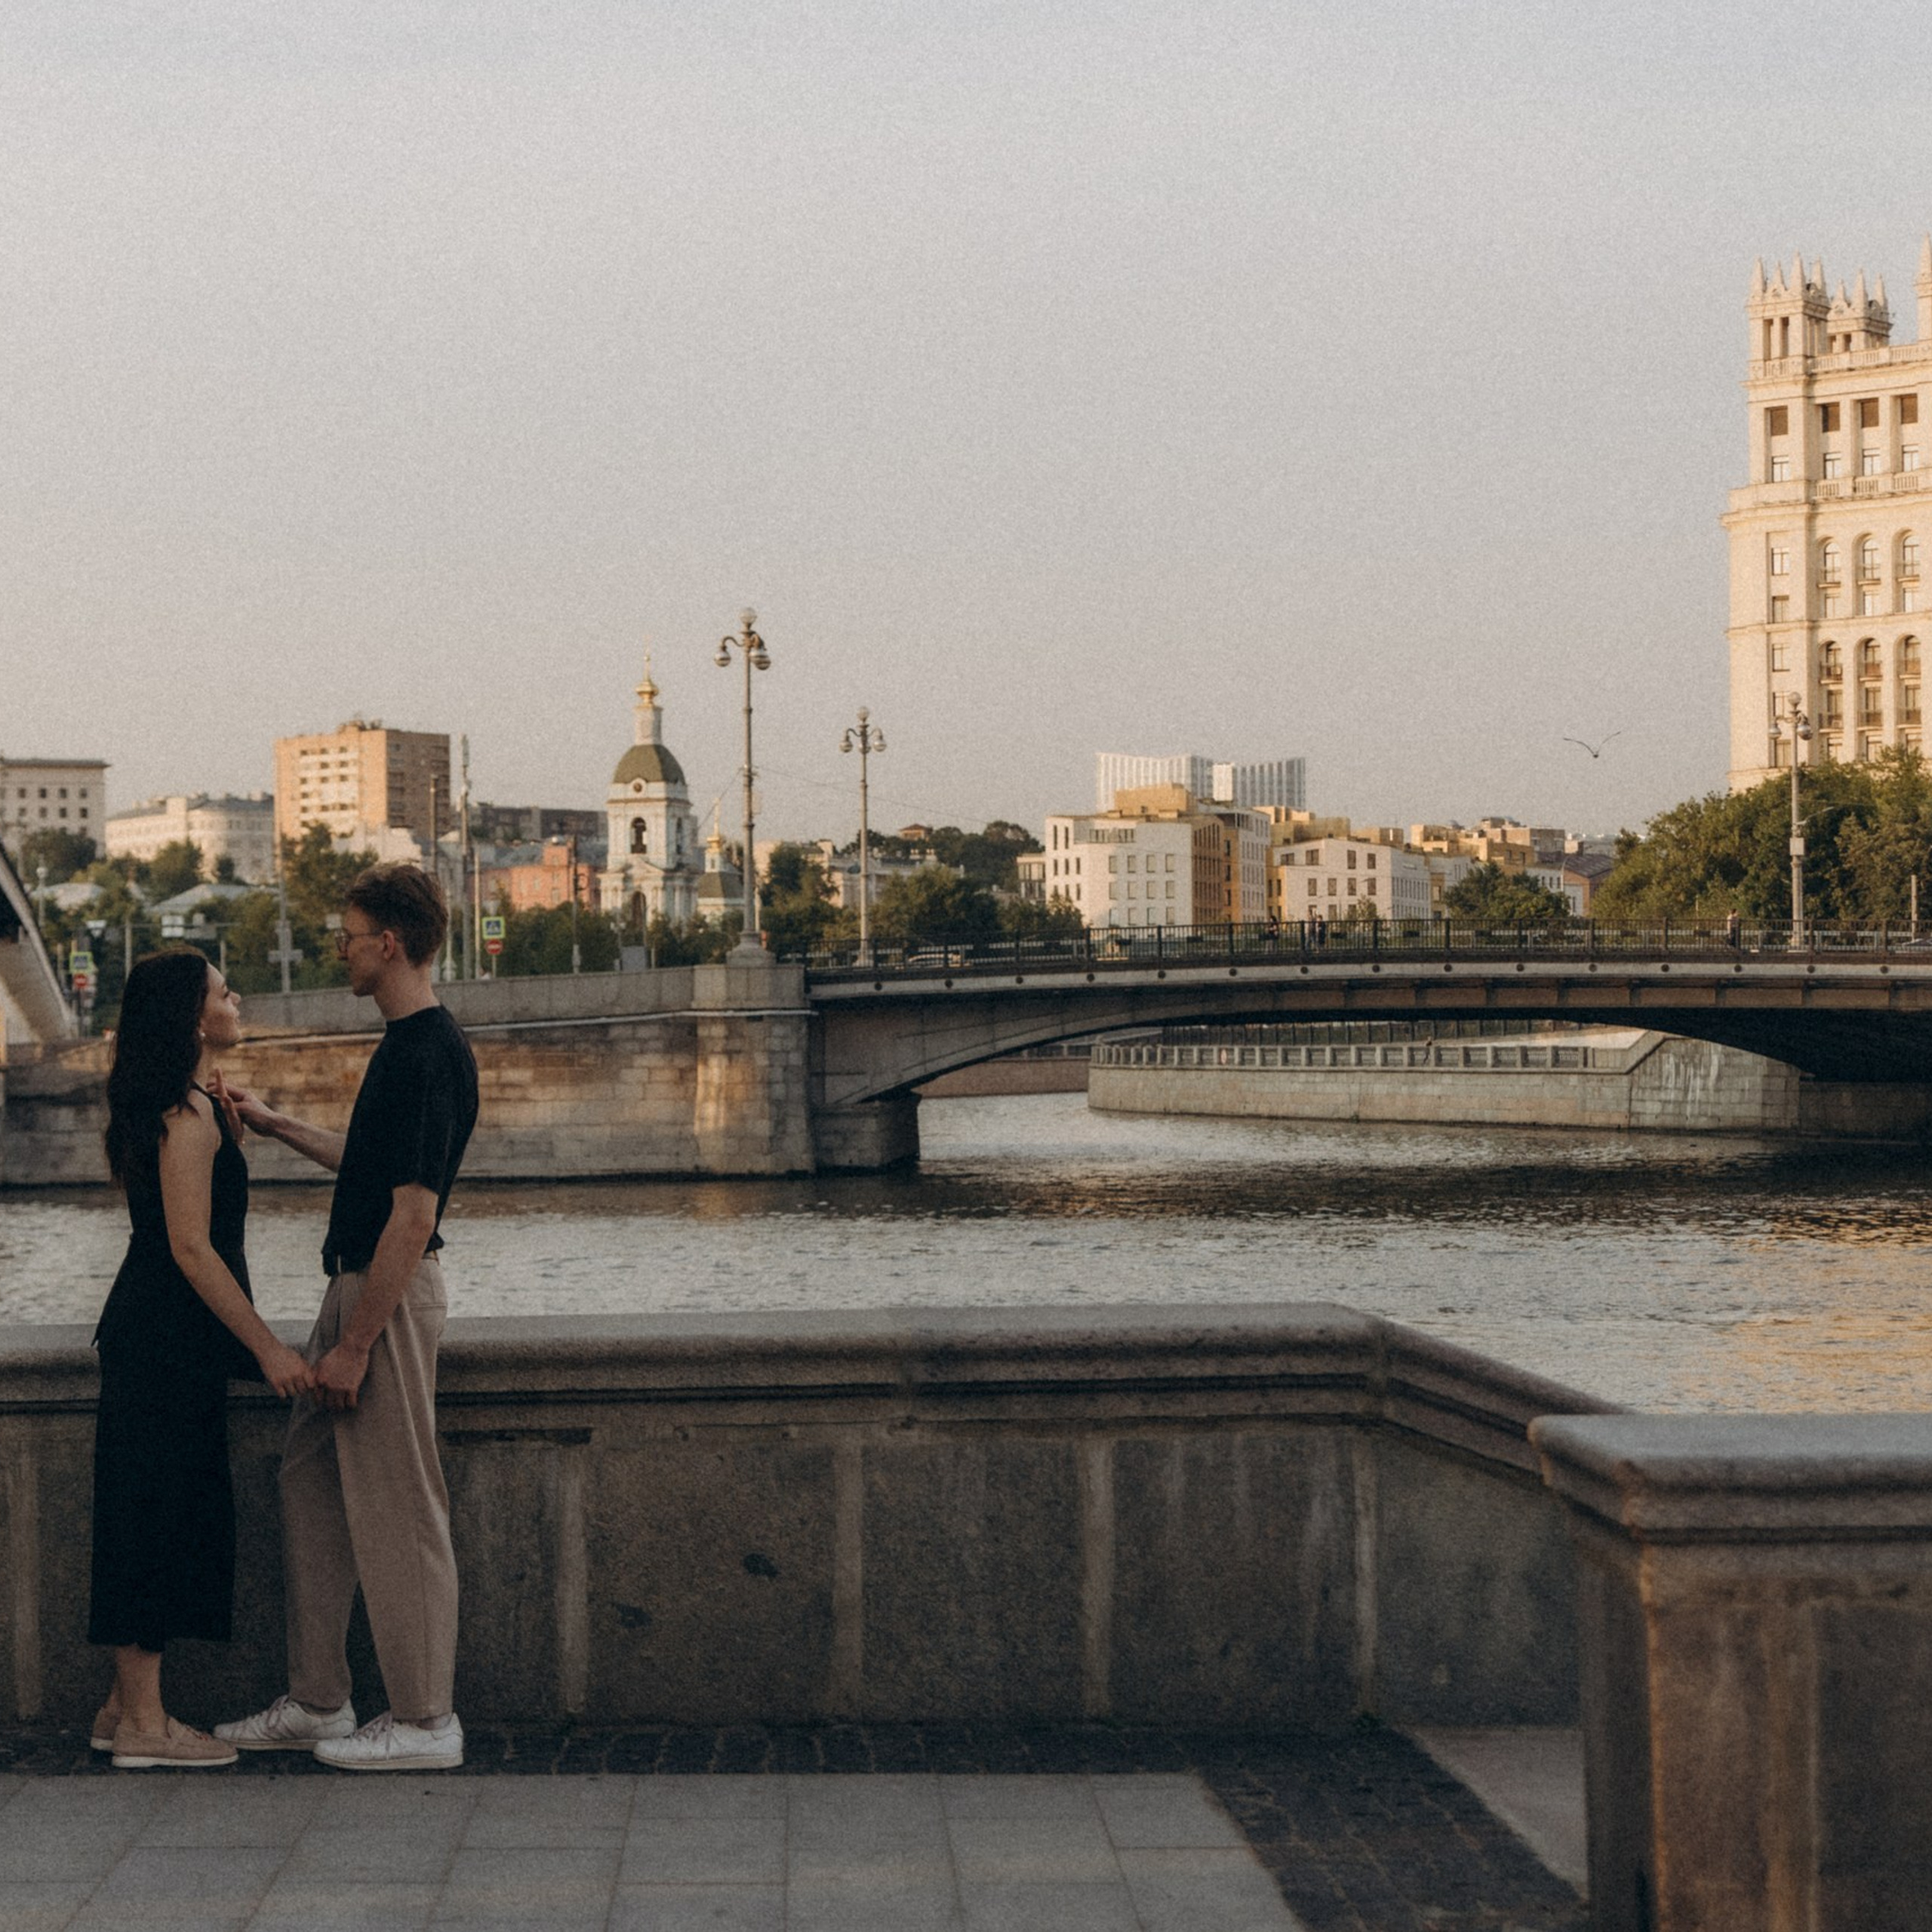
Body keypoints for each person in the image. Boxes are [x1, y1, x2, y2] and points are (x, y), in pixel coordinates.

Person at [217, 863, 478, 1771]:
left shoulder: (426, 1052)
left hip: (386, 1297)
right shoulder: (405, 1045)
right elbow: (372, 1170)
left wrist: (358, 1344)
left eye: (348, 931)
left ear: (390, 943)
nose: (340, 946)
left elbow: (414, 1213)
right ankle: (321, 1699)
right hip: (358, 1286)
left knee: (401, 1506)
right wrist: (278, 1123)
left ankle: (424, 1719)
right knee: (310, 1482)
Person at [89, 950, 315, 1770]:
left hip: (157, 1336)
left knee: (155, 1510)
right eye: (225, 990)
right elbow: (191, 1246)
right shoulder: (184, 1115)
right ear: (194, 1018)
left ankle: (122, 1708)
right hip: (164, 1339)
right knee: (153, 1518)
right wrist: (269, 1347)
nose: (237, 996)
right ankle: (148, 1727)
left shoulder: (186, 1106)